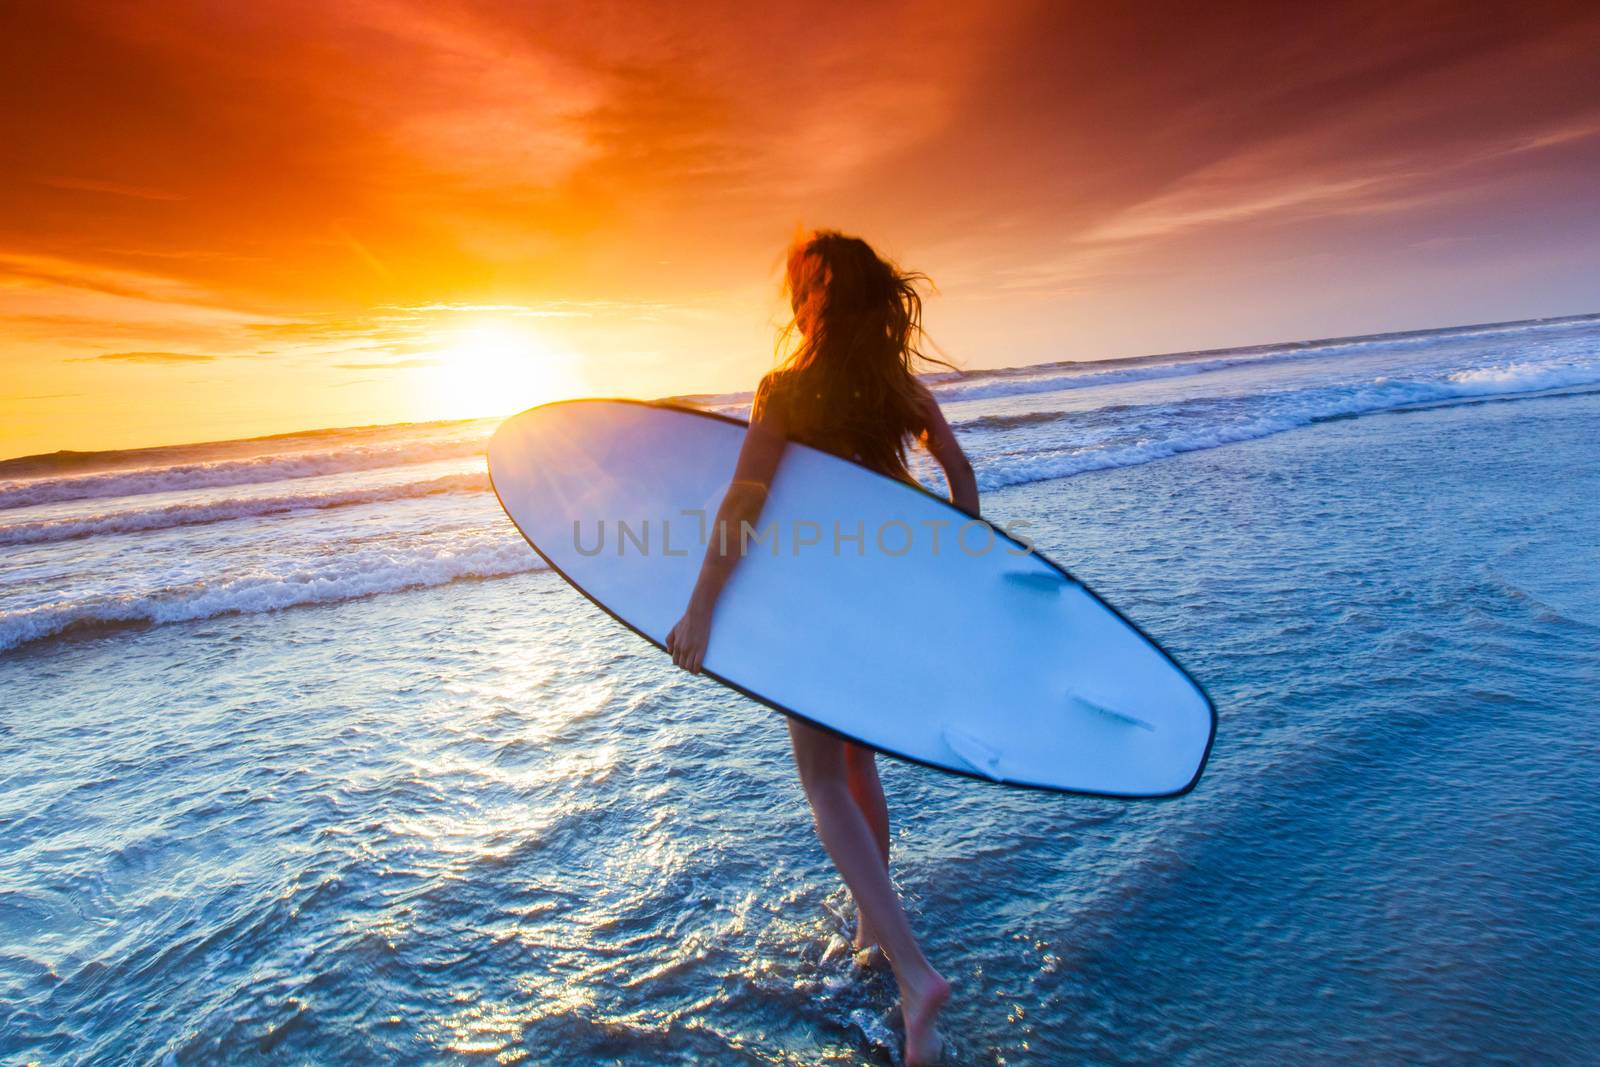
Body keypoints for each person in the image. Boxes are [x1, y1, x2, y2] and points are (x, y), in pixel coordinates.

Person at [665, 230, 977, 1066]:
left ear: (814, 301)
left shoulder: (786, 388)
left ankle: (914, 975)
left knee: (819, 782)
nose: (793, 299)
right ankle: (873, 933)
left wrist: (700, 608)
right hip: (887, 599)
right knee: (856, 766)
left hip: (816, 607)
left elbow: (743, 500)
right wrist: (959, 563)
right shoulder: (900, 389)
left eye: (800, 286)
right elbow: (959, 473)